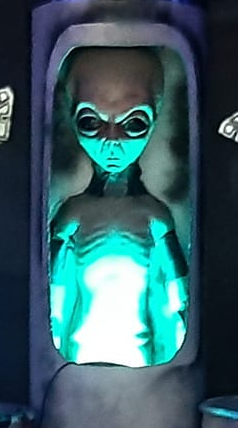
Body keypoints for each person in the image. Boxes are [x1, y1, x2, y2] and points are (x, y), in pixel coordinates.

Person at [48, 47, 189, 368]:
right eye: (91, 122)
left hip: (137, 359)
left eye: (133, 123)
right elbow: (53, 298)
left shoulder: (155, 216)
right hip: (82, 358)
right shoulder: (73, 215)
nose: (112, 140)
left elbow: (178, 299)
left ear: (156, 118)